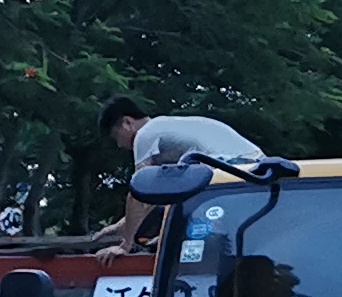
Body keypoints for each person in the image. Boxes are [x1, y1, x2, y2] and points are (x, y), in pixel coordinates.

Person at [99, 97, 260, 250]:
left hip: (233, 169)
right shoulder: (164, 128)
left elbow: (140, 195)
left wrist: (125, 245)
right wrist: (122, 225)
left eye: (116, 137)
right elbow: (154, 196)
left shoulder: (145, 135)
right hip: (257, 170)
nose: (119, 145)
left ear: (127, 122)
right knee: (178, 195)